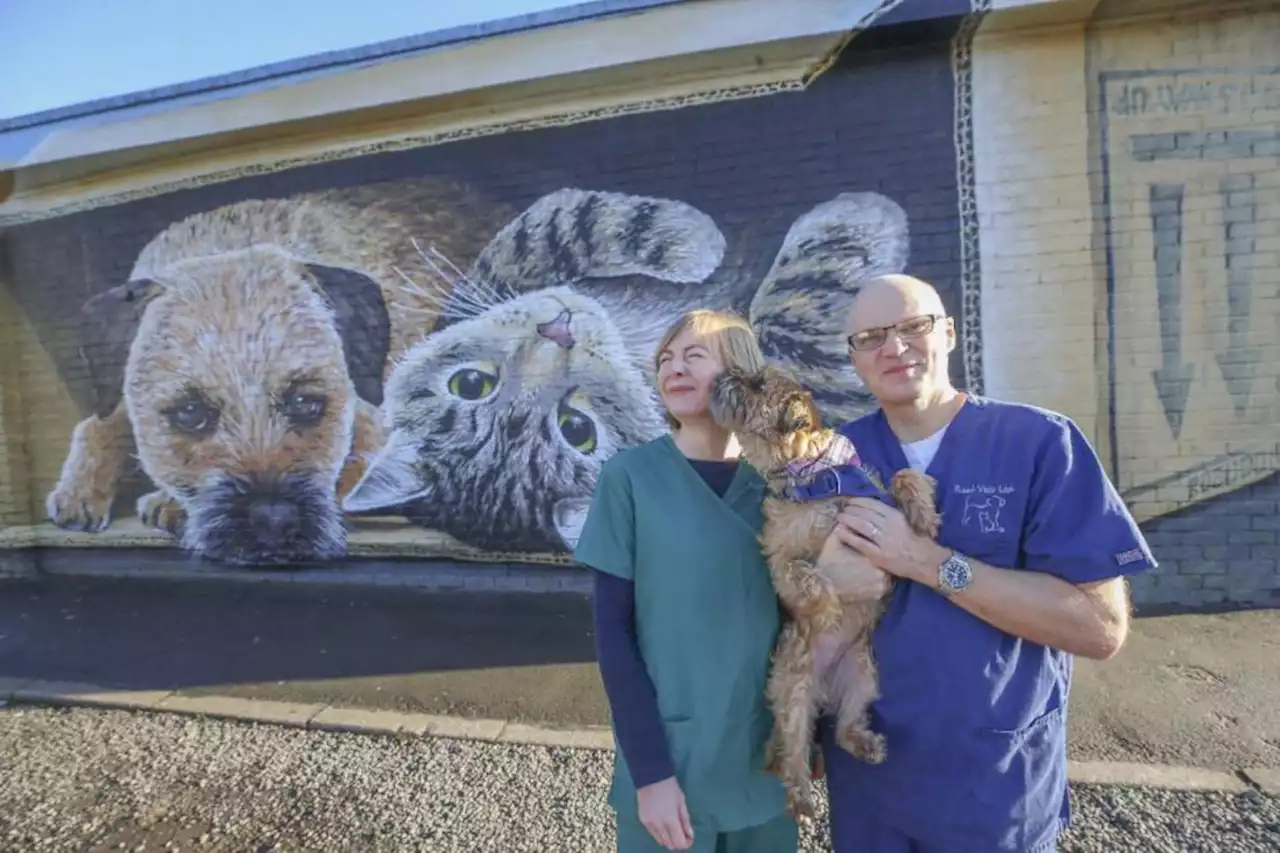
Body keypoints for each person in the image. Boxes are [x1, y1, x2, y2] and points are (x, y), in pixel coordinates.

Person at [810, 273, 1156, 853]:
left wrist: (927, 562)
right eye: (870, 337)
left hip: (993, 786)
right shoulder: (833, 461)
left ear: (947, 332)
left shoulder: (1038, 444)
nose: (893, 348)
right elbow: (798, 613)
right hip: (870, 784)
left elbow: (1099, 628)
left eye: (912, 326)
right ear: (854, 358)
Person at [574, 309, 799, 853]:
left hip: (763, 764)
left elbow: (803, 623)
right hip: (673, 764)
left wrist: (804, 734)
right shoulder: (629, 479)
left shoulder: (782, 483)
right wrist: (651, 773)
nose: (674, 367)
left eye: (694, 356)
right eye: (665, 359)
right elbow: (613, 634)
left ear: (740, 371)